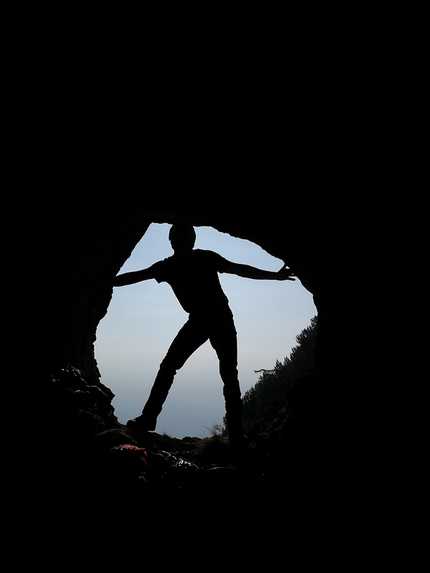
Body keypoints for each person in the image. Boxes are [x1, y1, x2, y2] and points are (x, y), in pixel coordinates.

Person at [110, 223, 295, 446]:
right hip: (211, 319)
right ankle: (233, 433)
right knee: (221, 374)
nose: (186, 241)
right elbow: (239, 269)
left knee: (179, 367)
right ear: (176, 241)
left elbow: (136, 276)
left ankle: (151, 418)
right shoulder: (189, 262)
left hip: (211, 319)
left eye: (187, 237)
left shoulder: (177, 264)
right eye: (184, 237)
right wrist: (274, 276)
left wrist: (275, 276)